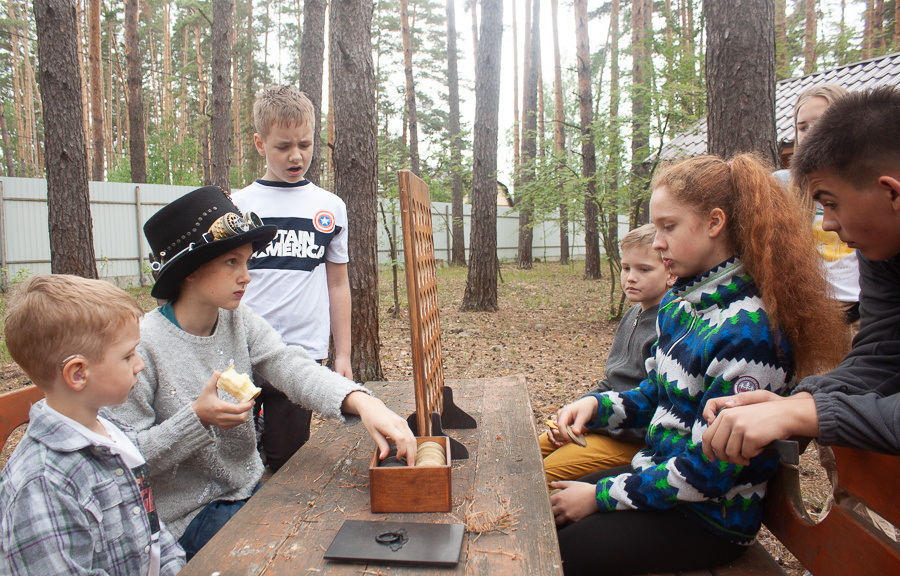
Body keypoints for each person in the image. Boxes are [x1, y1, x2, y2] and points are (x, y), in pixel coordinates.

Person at [549, 154, 848, 576]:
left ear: (714, 223)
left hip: (708, 519)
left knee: (561, 552)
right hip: (661, 478)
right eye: (656, 228)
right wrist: (599, 407)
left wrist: (599, 496)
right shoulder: (680, 304)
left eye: (668, 227)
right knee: (549, 509)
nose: (657, 242)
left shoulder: (748, 332)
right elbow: (655, 394)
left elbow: (710, 473)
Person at [111, 185, 416, 561]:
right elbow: (124, 458)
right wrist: (195, 419)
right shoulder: (140, 347)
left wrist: (362, 402)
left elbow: (289, 364)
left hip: (249, 491)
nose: (247, 277)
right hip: (188, 519)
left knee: (333, 529)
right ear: (189, 271)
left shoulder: (238, 320)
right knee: (304, 555)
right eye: (231, 263)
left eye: (247, 262)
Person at [702, 86, 900, 462]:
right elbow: (882, 356)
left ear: (890, 192)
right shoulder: (884, 249)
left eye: (830, 203)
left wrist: (805, 413)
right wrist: (797, 400)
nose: (827, 224)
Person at [0, 275, 185, 575]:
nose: (139, 364)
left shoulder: (115, 432)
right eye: (128, 355)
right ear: (78, 374)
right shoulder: (43, 484)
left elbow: (153, 529)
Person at [231, 85, 351, 471]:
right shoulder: (237, 206)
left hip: (302, 353)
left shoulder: (330, 208)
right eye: (283, 146)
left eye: (305, 143)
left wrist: (343, 353)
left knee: (287, 461)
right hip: (240, 351)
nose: (296, 155)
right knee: (236, 458)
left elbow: (338, 284)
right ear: (259, 143)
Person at [540, 224, 674, 486]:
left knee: (541, 474)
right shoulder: (632, 315)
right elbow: (612, 381)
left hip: (634, 438)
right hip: (607, 423)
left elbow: (657, 406)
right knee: (532, 449)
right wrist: (576, 412)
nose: (630, 278)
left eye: (643, 269)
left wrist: (593, 421)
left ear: (671, 273)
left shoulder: (669, 324)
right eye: (626, 268)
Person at [774, 84, 861, 333]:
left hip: (863, 316)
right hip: (810, 318)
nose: (811, 133)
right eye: (803, 127)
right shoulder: (786, 185)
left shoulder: (868, 182)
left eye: (821, 122)